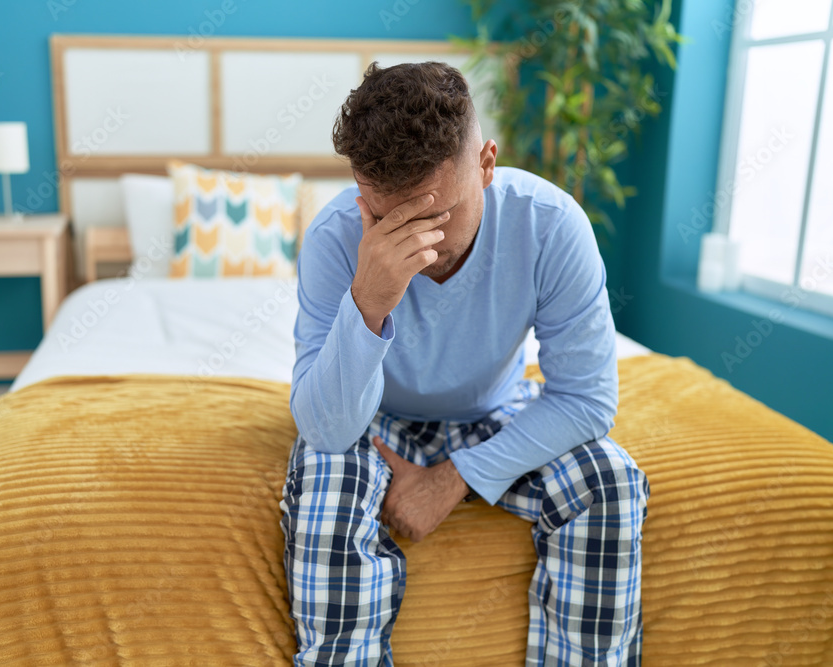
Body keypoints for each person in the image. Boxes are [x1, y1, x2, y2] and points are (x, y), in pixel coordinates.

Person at [279, 61, 651, 666]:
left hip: (495, 413)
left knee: (610, 480)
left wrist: (453, 479)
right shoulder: (334, 238)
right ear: (362, 190)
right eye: (393, 220)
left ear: (486, 163)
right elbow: (325, 429)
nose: (422, 244)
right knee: (326, 484)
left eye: (440, 213)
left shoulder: (552, 225)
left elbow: (586, 400)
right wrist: (369, 299)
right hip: (372, 420)